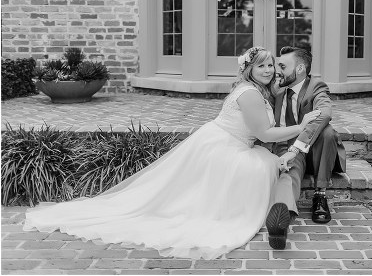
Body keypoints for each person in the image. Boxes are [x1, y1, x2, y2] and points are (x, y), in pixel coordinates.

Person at [23, 46, 320, 260]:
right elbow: (266, 134)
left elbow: (275, 98)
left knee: (264, 165)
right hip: (224, 147)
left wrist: (285, 84)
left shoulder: (257, 89)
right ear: (249, 71)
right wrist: (302, 125)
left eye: (272, 65)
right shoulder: (252, 94)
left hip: (223, 141)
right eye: (263, 66)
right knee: (261, 168)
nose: (269, 70)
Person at [264, 46, 346, 250]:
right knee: (288, 172)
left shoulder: (316, 86)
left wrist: (297, 147)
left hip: (314, 150)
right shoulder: (277, 87)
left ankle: (320, 194)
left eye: (282, 66)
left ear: (300, 68)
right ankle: (280, 218)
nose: (276, 70)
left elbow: (324, 113)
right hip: (287, 147)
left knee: (327, 131)